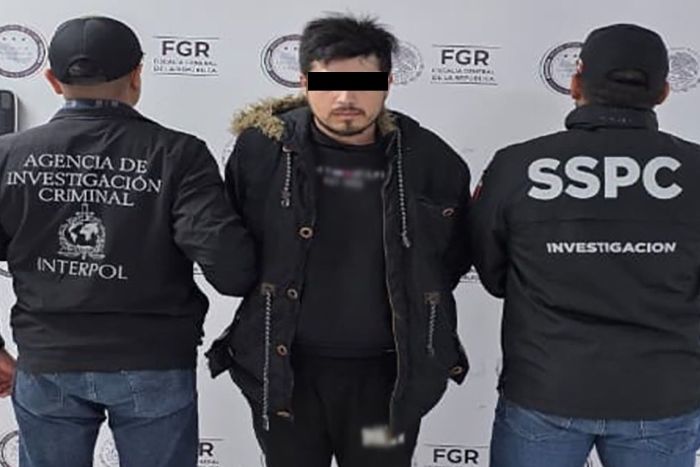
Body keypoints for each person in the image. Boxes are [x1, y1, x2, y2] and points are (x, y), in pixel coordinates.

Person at [206, 13, 472, 467]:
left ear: (388, 83)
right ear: (304, 82)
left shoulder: (430, 159)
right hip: (285, 376)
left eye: (363, 84)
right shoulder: (261, 151)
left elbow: (450, 259)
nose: (346, 98)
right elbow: (233, 246)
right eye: (330, 83)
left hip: (387, 385)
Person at [0, 16, 256, 467]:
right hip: (153, 361)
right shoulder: (179, 155)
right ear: (138, 75)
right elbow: (231, 270)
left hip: (47, 358)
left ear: (51, 80)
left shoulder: (8, 155)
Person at [471, 23, 700, 467]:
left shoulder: (517, 164)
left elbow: (493, 273)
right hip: (661, 394)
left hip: (546, 388)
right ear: (664, 91)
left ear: (575, 82)